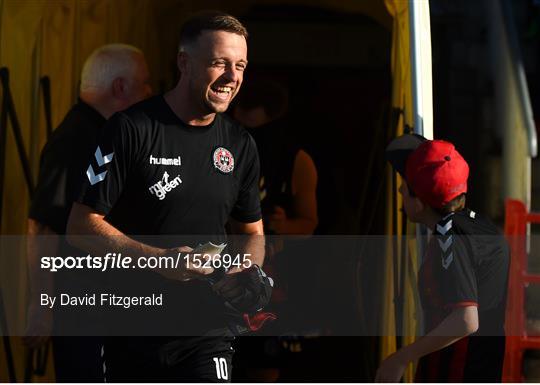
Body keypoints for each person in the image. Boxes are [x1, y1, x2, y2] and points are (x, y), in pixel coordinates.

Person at [66, 11, 271, 382]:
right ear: (184, 63)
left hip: (206, 333)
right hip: (131, 329)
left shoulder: (240, 145)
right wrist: (156, 260)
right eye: (219, 63)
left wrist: (245, 270)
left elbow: (252, 233)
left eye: (240, 65)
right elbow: (80, 226)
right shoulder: (130, 129)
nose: (232, 77)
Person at [25, 43, 151, 381]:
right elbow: (43, 225)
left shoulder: (104, 136)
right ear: (120, 87)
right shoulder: (76, 141)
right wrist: (42, 307)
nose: (150, 93)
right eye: (145, 84)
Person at [377, 134, 509, 382]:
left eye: (404, 184)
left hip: (454, 373)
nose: (399, 189)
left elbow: (466, 320)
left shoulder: (449, 233)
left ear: (418, 202)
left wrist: (400, 359)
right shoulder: (481, 226)